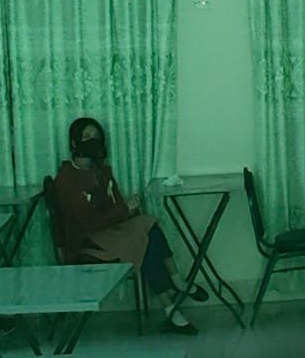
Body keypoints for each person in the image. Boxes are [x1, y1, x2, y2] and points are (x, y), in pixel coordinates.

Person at [52, 118, 206, 335]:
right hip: (88, 242)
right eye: (87, 137)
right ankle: (173, 297)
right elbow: (88, 222)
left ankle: (174, 293)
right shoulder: (67, 178)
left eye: (96, 137)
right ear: (74, 142)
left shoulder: (101, 171)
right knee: (142, 239)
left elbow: (114, 205)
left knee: (145, 226)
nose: (92, 142)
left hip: (108, 232)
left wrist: (128, 207)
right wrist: (124, 209)